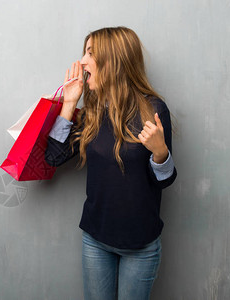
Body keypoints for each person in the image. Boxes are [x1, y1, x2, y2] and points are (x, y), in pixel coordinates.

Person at [45, 27, 177, 300]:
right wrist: (69, 104)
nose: (82, 61)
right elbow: (53, 157)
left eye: (90, 53)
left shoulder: (152, 110)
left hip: (140, 246)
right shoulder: (92, 112)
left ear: (113, 60)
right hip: (96, 240)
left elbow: (164, 180)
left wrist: (160, 152)